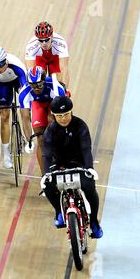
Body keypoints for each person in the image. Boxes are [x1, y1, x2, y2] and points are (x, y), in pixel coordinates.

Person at [40, 96, 103, 238]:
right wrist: (45, 174)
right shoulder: (50, 131)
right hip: (59, 163)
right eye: (60, 116)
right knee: (47, 186)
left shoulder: (80, 126)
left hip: (79, 162)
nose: (63, 118)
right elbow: (46, 155)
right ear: (54, 116)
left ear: (71, 112)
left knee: (89, 187)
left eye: (66, 114)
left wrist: (89, 168)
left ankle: (94, 222)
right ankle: (58, 211)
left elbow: (86, 148)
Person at [0, 46, 27, 168]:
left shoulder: (17, 65)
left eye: (1, 64)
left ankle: (27, 134)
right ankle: (7, 155)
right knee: (4, 117)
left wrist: (25, 106)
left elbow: (26, 91)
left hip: (17, 81)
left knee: (25, 110)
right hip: (1, 86)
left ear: (6, 60)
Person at [19, 66, 66, 174]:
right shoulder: (24, 93)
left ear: (44, 81)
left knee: (56, 127)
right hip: (38, 105)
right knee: (40, 139)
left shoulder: (55, 88)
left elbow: (63, 113)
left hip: (53, 103)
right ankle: (44, 176)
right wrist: (29, 141)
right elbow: (25, 119)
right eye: (33, 85)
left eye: (39, 84)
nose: (36, 88)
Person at [25, 21, 70, 91]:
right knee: (38, 82)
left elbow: (64, 68)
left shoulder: (61, 42)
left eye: (46, 40)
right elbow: (30, 70)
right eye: (41, 40)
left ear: (52, 36)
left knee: (58, 85)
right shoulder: (31, 45)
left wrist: (65, 90)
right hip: (41, 59)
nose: (44, 43)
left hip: (54, 59)